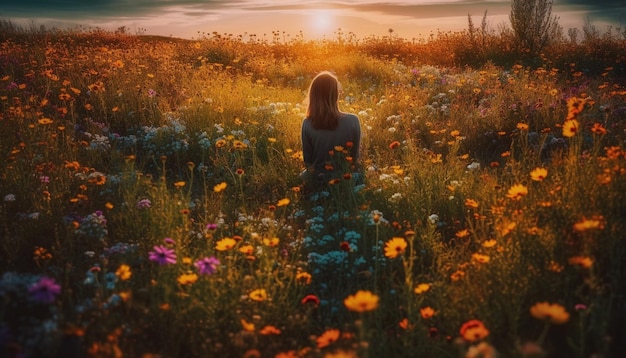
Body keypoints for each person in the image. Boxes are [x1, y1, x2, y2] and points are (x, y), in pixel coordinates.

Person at [301, 71, 362, 191]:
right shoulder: (353, 120)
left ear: (312, 95)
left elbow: (308, 161)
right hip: (346, 178)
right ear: (336, 94)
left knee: (303, 176)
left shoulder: (307, 123)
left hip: (318, 179)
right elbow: (354, 158)